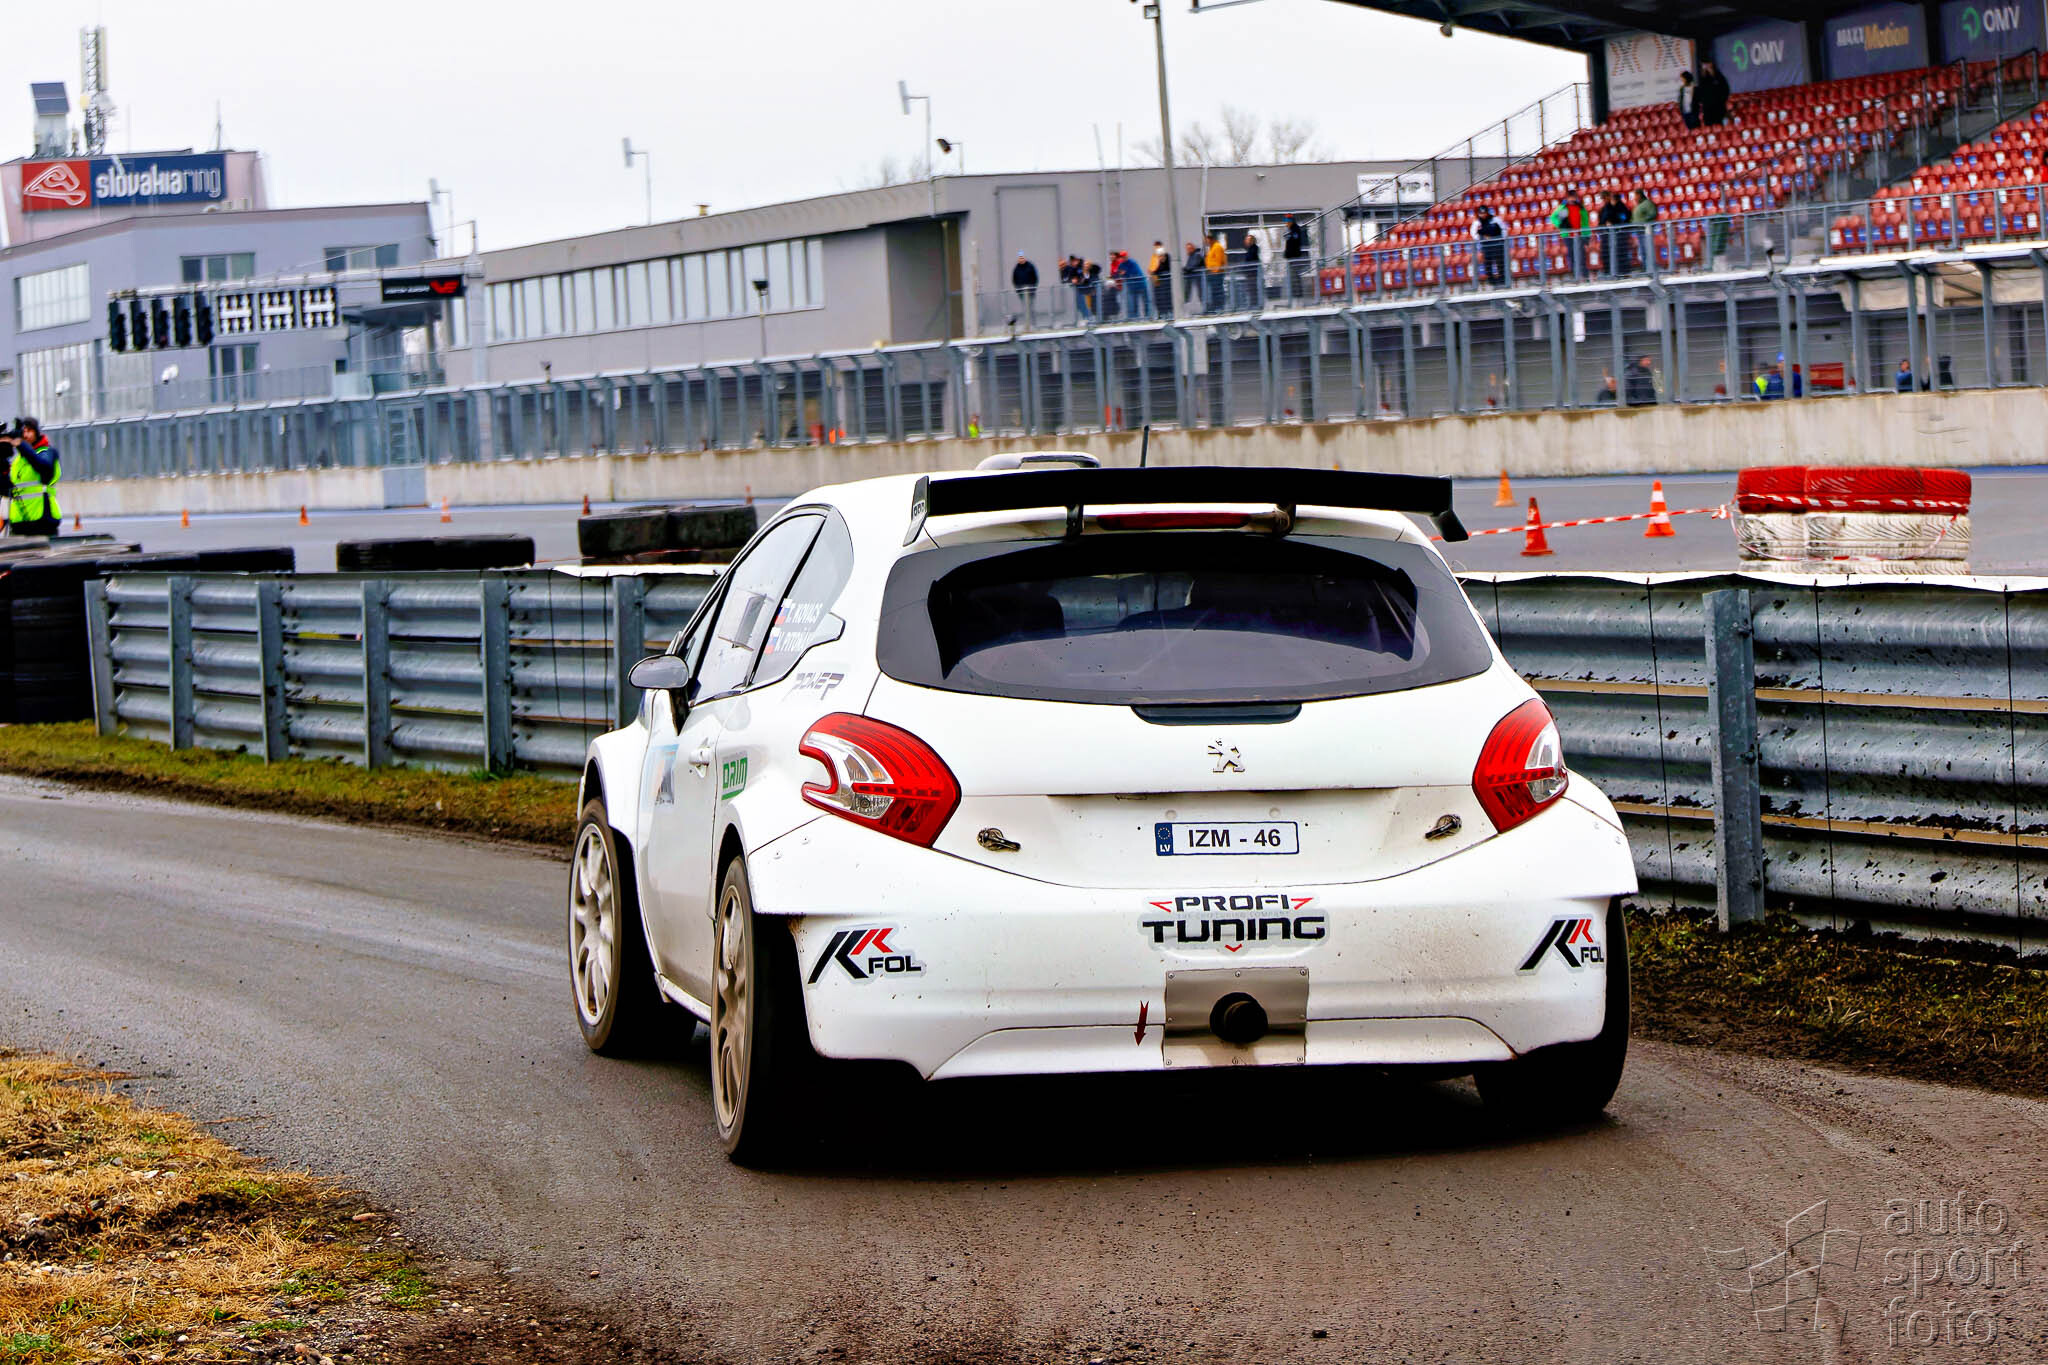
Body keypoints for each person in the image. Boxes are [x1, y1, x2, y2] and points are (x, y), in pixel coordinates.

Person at [5, 417, 62, 538]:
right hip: (19, 523)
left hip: (43, 520)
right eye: (23, 432)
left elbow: (44, 469)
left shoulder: (47, 452)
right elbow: (8, 489)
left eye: (29, 431)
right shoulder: (17, 461)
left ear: (37, 432)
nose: (25, 435)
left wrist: (21, 445)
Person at [1597, 190, 1629, 277]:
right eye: (1602, 198)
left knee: (1620, 252)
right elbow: (1602, 220)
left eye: (1604, 198)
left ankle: (1623, 272)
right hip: (1606, 234)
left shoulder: (1619, 207)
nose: (1603, 200)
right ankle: (1608, 272)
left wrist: (1613, 222)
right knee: (1606, 253)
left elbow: (1623, 218)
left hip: (1618, 234)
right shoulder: (1605, 208)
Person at [1473, 205, 1506, 286]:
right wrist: (1482, 238)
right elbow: (1474, 234)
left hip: (1497, 245)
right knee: (1487, 264)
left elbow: (1504, 229)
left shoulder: (1495, 219)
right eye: (1481, 213)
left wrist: (1502, 239)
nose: (1483, 215)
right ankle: (1491, 282)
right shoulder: (1477, 223)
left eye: (1484, 213)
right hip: (1486, 246)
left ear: (1487, 213)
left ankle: (1502, 280)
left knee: (1500, 262)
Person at [1628, 188, 1658, 271]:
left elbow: (1653, 214)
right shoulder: (1637, 205)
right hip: (1639, 230)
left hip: (1646, 231)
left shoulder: (1648, 203)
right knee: (1642, 250)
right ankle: (1645, 267)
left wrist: (1643, 221)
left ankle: (1651, 268)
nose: (1634, 198)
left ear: (1639, 195)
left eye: (1635, 196)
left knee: (1647, 248)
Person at [1115, 250, 1150, 319]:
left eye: (1124, 256)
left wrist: (1125, 273)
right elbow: (1119, 274)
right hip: (1132, 286)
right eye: (1121, 257)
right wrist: (1124, 274)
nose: (1122, 258)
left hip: (1141, 284)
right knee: (1133, 303)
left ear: (1127, 256)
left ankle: (1148, 317)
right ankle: (1134, 318)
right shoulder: (1121, 265)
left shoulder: (1132, 262)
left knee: (1146, 301)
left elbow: (1135, 274)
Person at [1282, 214, 1308, 302]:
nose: (1286, 224)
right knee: (1293, 277)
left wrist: (1289, 253)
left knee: (1295, 277)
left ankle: (1298, 295)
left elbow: (1293, 243)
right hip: (1292, 257)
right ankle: (1295, 294)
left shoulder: (1295, 229)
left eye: (1287, 222)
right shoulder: (1290, 230)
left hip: (1295, 258)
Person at [1698, 58, 1731, 128]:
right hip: (1708, 110)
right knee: (1709, 128)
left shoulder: (1719, 77)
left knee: (1720, 127)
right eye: (1704, 66)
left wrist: (1721, 101)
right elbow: (1700, 94)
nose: (1706, 68)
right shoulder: (1703, 80)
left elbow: (1726, 90)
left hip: (1719, 108)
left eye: (1707, 66)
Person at [1011, 253, 1039, 324]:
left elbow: (1035, 278)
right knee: (1025, 307)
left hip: (1030, 291)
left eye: (1022, 258)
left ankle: (1033, 323)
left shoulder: (1030, 266)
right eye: (1020, 258)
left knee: (1031, 307)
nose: (1021, 260)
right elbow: (1014, 280)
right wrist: (1018, 290)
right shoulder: (1016, 268)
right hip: (1021, 291)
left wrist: (1033, 288)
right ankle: (1027, 323)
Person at [1204, 234, 1227, 311]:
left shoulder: (1217, 247)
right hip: (1212, 274)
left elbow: (1218, 261)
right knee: (1214, 291)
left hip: (1217, 274)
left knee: (1218, 290)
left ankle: (1219, 306)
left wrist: (1215, 271)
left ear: (1210, 239)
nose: (1205, 242)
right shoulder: (1211, 248)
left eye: (1206, 240)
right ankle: (1216, 306)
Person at [1149, 241, 1173, 318]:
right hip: (1157, 281)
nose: (1156, 248)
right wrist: (1153, 272)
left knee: (1167, 297)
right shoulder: (1154, 257)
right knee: (1159, 298)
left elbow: (1165, 267)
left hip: (1165, 280)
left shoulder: (1166, 256)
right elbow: (1153, 268)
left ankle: (1169, 313)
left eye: (1158, 247)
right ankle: (1161, 313)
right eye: (1155, 247)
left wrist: (1162, 259)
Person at [1240, 232, 1263, 309]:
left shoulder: (1253, 249)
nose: (1245, 241)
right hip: (1250, 273)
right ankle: (1253, 304)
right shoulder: (1250, 249)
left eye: (1247, 240)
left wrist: (1244, 267)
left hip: (1252, 273)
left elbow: (1250, 260)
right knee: (1251, 290)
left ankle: (1254, 305)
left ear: (1251, 241)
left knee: (1252, 290)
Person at [1182, 241, 1205, 308]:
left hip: (1198, 277)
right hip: (1193, 277)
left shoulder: (1197, 254)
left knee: (1201, 293)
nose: (1188, 250)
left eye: (1189, 249)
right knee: (1189, 293)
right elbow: (1189, 265)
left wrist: (1185, 269)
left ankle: (1204, 307)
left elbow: (1193, 265)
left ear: (1193, 248)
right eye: (1187, 249)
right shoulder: (1191, 256)